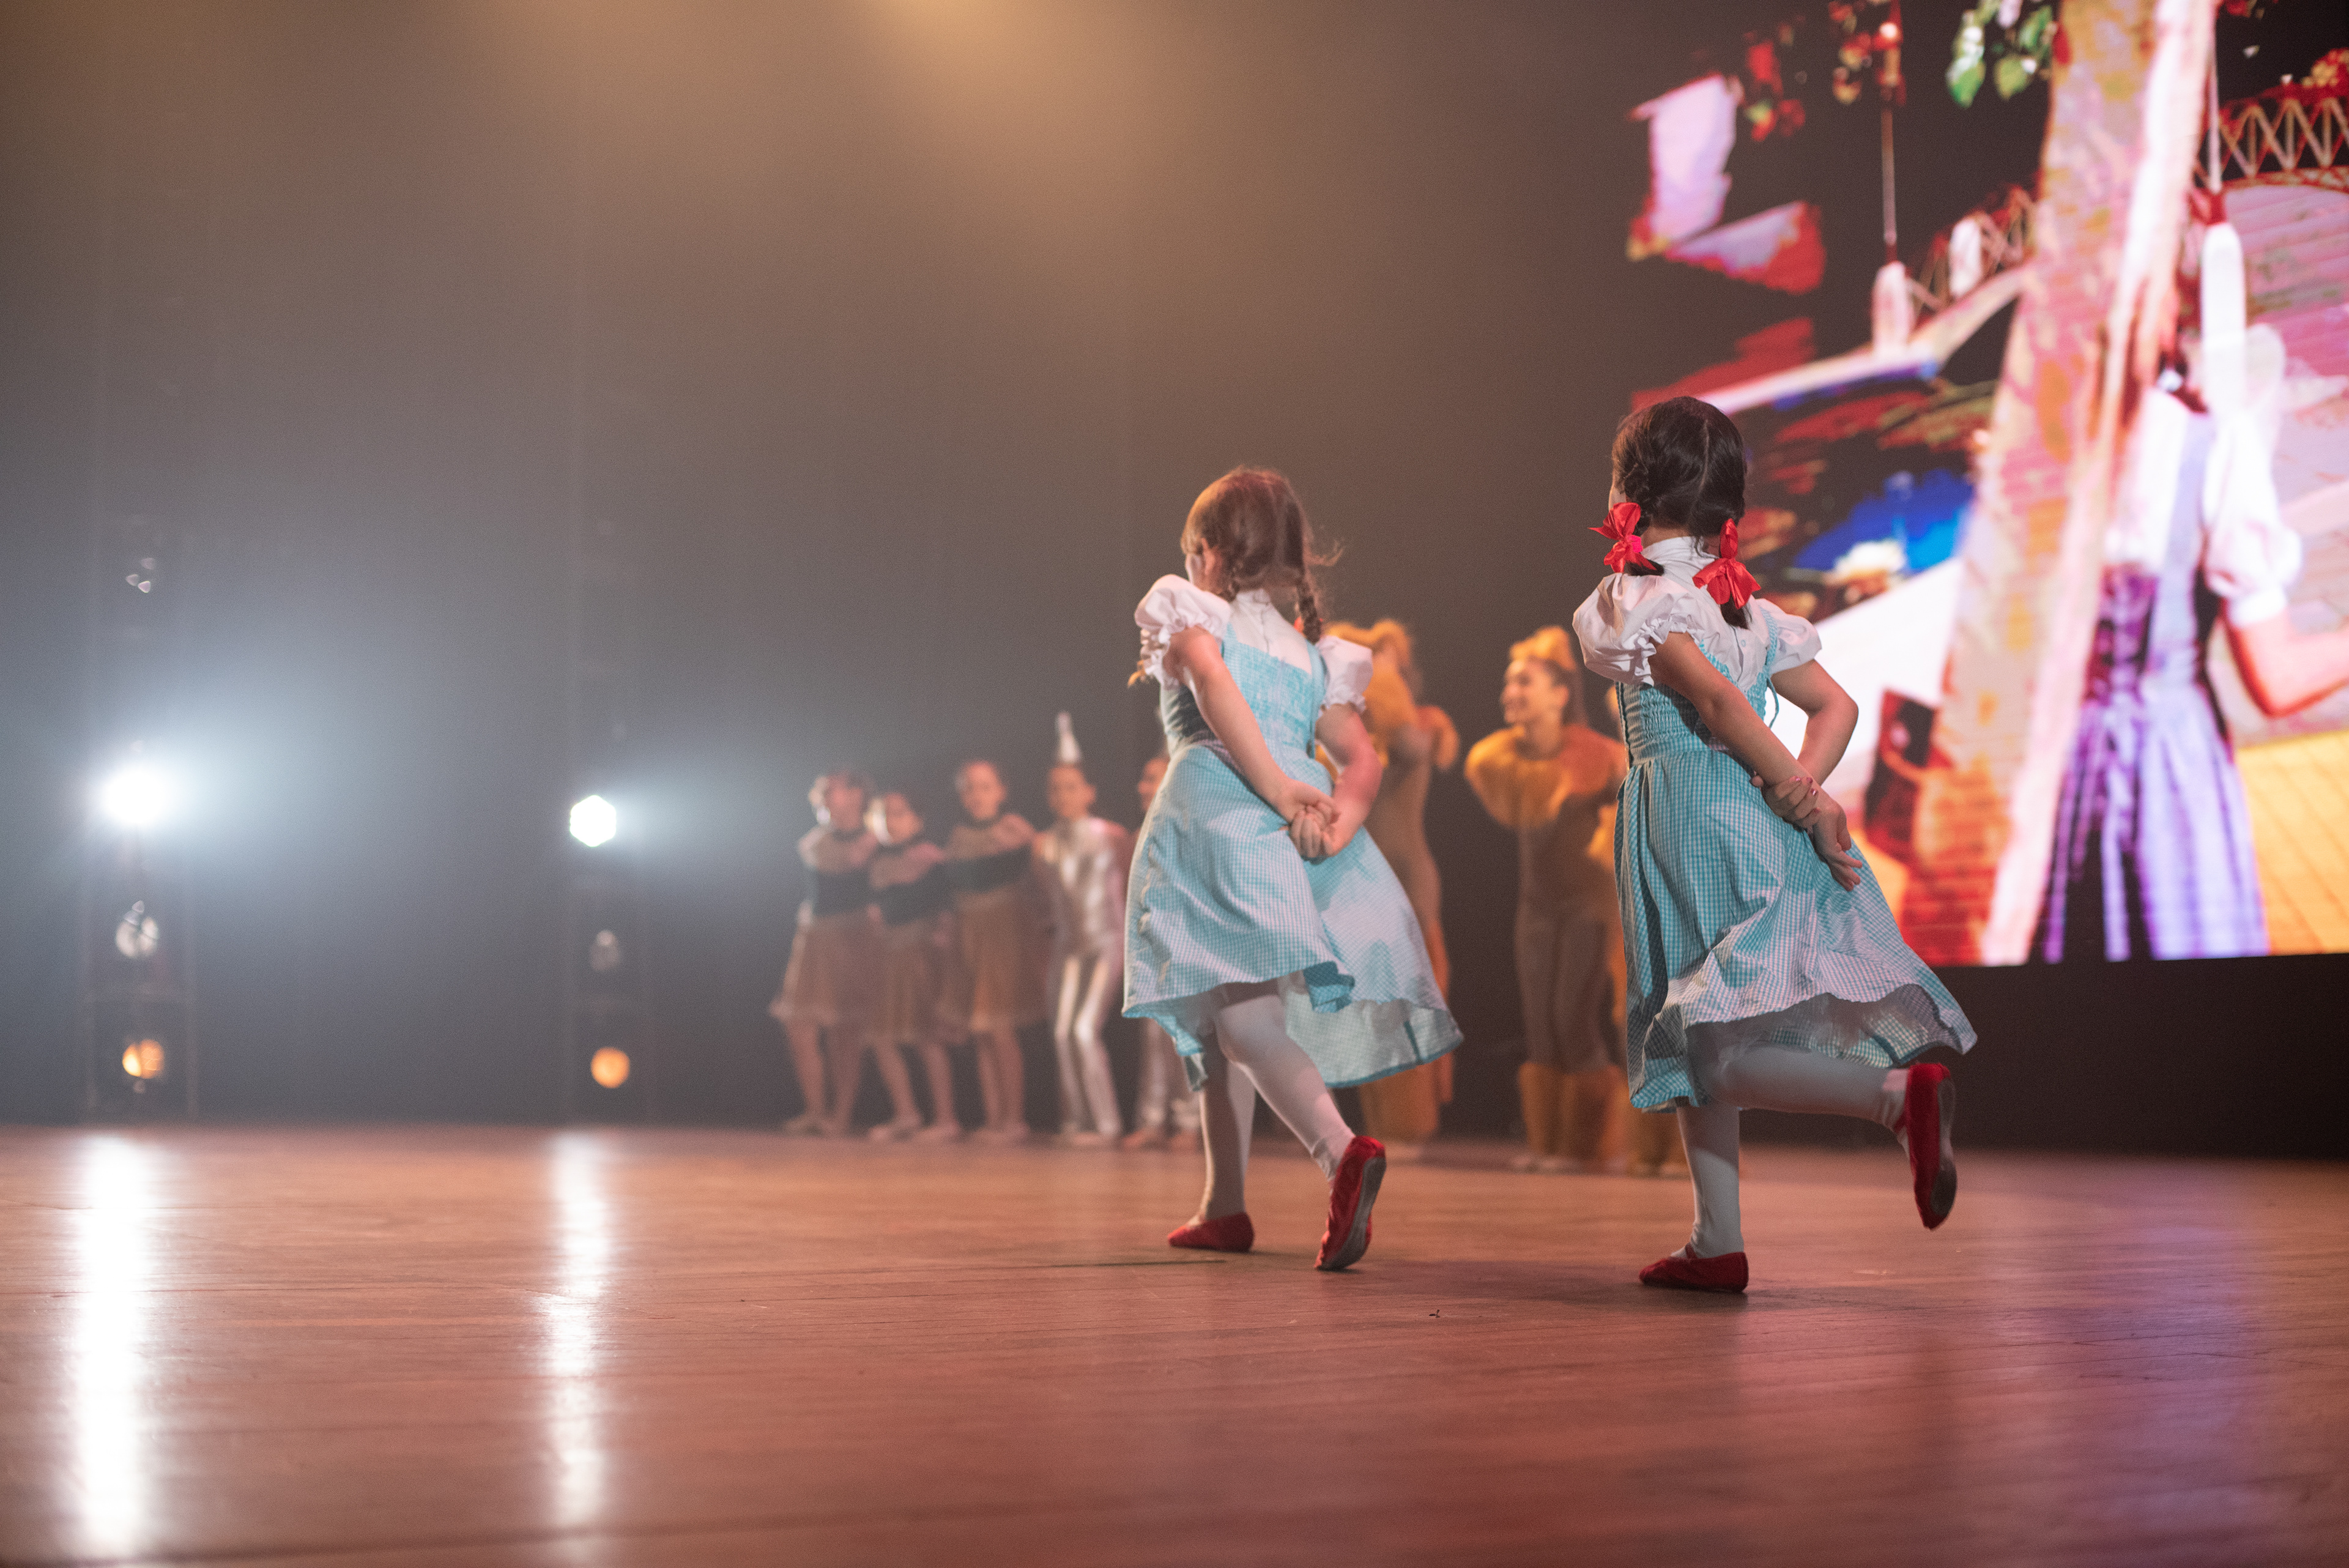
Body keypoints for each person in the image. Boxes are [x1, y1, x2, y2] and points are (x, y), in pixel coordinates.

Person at [1570, 395, 1975, 1293]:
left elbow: (1717, 703)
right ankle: (1716, 1239)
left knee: (1706, 1042)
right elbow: (1837, 706)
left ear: (1630, 490)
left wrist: (1796, 791)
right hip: (1754, 816)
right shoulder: (1743, 606)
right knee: (1701, 1025)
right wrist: (1799, 791)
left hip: (1688, 820)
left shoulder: (1642, 596)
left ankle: (1892, 1099)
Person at [1126, 466, 1460, 1271]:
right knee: (1221, 1015)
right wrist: (1337, 820)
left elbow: (1213, 684)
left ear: (1209, 551)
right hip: (1286, 831)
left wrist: (1278, 788)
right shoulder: (1313, 653)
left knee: (1244, 1020)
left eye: (1193, 548)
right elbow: (1362, 758)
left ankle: (1340, 1150)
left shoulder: (1192, 612)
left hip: (1222, 817)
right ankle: (1223, 1203)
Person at [1466, 628, 1680, 1176]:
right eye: (1509, 682)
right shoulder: (1504, 759)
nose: (1511, 692)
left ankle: (1586, 1144)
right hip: (1537, 907)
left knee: (1571, 1017)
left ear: (1560, 694)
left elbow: (1641, 811)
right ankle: (1551, 1142)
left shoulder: (1598, 757)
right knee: (1540, 1024)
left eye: (1524, 681)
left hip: (1591, 905)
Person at [1326, 619, 1458, 1160]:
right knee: (1369, 1004)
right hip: (1360, 883)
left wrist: (1383, 687)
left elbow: (1407, 744)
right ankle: (1383, 1122)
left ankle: (1409, 1125)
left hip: (1405, 877)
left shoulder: (1417, 726)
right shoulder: (1350, 735)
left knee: (1404, 1001)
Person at [768, 771, 881, 1137]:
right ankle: (815, 1110)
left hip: (854, 938)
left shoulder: (874, 842)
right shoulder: (815, 843)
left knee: (846, 1028)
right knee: (798, 1024)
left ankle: (841, 1114)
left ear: (858, 796)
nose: (826, 798)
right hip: (815, 937)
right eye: (824, 793)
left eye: (835, 791)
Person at [1034, 715, 1130, 1146]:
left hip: (1106, 940)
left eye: (1072, 787)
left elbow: (1127, 887)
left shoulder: (1110, 836)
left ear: (1089, 792)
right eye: (1056, 788)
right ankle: (1078, 1118)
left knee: (1084, 1029)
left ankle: (1106, 1122)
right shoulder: (1044, 844)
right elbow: (1049, 901)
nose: (1063, 795)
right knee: (1061, 1032)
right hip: (1068, 947)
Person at [944, 758, 1046, 1142]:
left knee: (1001, 1028)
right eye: (969, 788)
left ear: (1001, 792)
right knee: (982, 1031)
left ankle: (1014, 1118)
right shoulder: (957, 839)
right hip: (971, 935)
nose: (977, 795)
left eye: (985, 787)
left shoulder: (1015, 832)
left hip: (1005, 934)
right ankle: (993, 1118)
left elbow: (1040, 882)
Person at [866, 789, 967, 1141]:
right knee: (882, 1036)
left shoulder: (930, 860)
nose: (890, 822)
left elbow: (947, 911)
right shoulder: (877, 864)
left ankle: (946, 1119)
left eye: (899, 814)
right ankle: (906, 1113)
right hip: (888, 955)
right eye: (883, 815)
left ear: (917, 820)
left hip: (922, 953)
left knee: (927, 1036)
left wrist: (940, 951)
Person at [1120, 751, 1201, 1151]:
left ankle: (1189, 1121)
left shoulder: (1190, 830)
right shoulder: (1138, 835)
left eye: (1153, 778)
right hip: (1150, 944)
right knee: (1153, 1037)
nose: (1143, 787)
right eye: (1144, 778)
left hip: (1185, 944)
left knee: (1184, 1035)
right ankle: (1152, 1119)